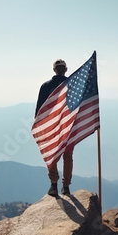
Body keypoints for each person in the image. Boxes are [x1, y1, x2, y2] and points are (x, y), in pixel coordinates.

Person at [35, 59, 73, 197]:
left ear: (54, 70)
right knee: (67, 156)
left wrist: (39, 127)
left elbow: (39, 109)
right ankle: (66, 187)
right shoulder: (72, 84)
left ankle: (54, 185)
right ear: (66, 69)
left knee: (52, 155)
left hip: (51, 128)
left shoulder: (46, 86)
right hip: (68, 127)